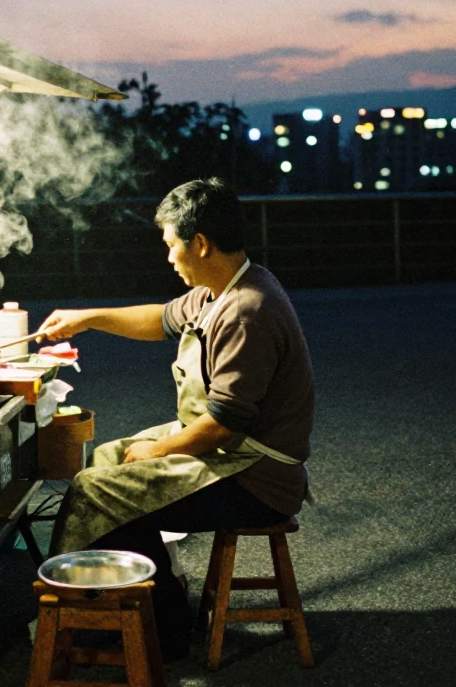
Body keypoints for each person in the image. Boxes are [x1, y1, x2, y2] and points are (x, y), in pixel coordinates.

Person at [37, 177, 315, 658]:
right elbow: (161, 318)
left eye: (171, 245)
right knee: (108, 460)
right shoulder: (221, 289)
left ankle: (160, 630)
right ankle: (151, 605)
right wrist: (88, 317)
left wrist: (159, 449)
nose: (168, 257)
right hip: (229, 454)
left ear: (200, 243)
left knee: (97, 490)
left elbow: (223, 423)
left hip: (256, 479)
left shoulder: (245, 310)